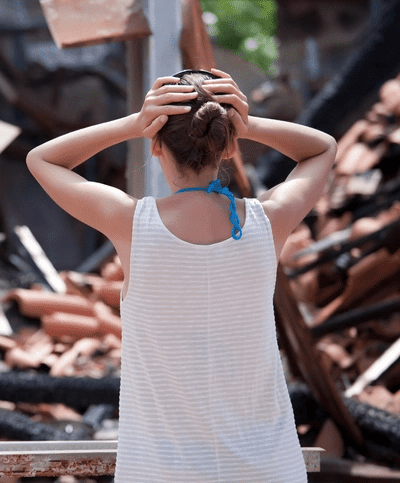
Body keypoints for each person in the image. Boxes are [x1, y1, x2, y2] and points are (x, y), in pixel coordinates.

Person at [26, 68, 336, 482]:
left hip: (161, 472)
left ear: (155, 144)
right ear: (227, 146)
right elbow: (322, 148)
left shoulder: (131, 224)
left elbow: (42, 159)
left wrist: (132, 123)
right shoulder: (268, 221)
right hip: (268, 467)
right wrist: (251, 124)